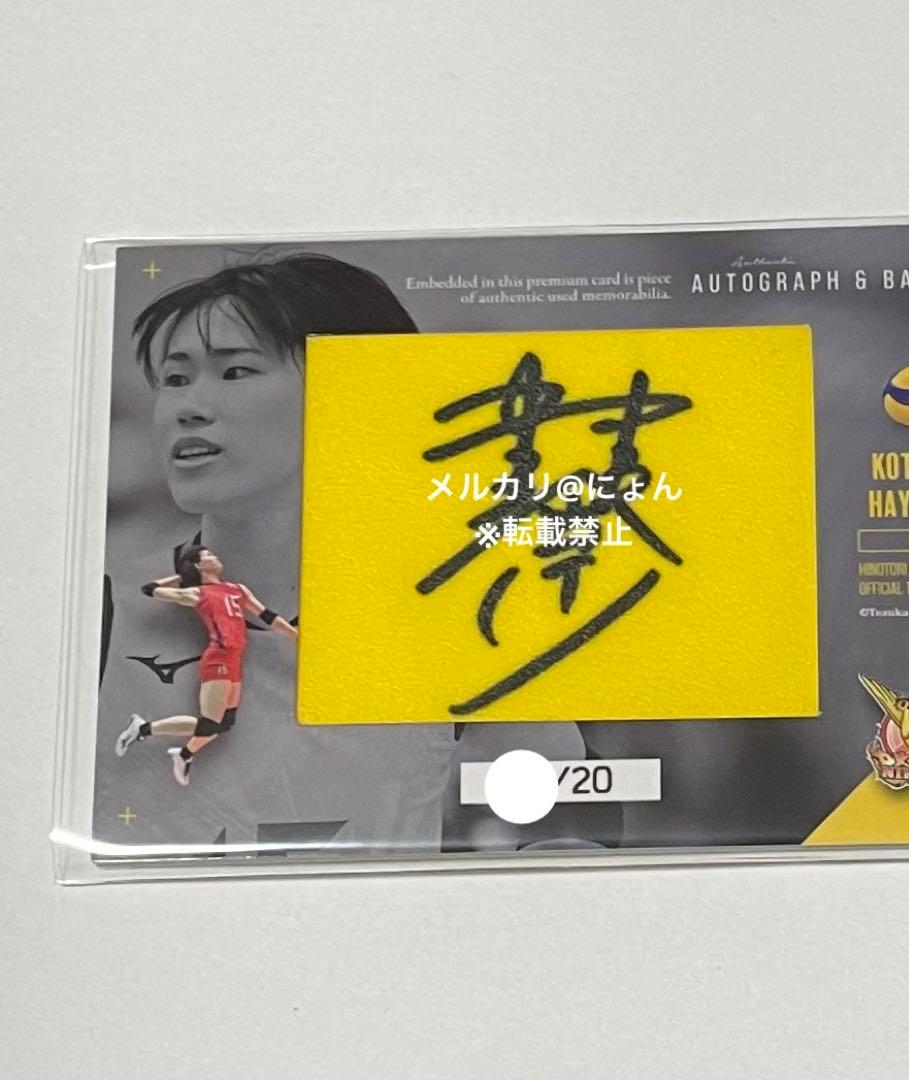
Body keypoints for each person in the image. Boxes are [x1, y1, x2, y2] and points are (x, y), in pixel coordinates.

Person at [96, 252, 585, 854]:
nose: (187, 407)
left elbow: (568, 825)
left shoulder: (464, 626)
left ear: (355, 396)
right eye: (175, 379)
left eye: (235, 371)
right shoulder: (99, 618)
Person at [115, 543, 297, 786]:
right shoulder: (197, 593)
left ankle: (184, 754)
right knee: (210, 723)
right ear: (199, 565)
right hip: (219, 657)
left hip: (235, 659)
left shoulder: (237, 589)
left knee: (225, 723)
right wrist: (182, 576)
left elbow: (267, 616)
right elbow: (150, 589)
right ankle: (142, 729)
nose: (215, 556)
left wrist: (295, 636)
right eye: (208, 555)